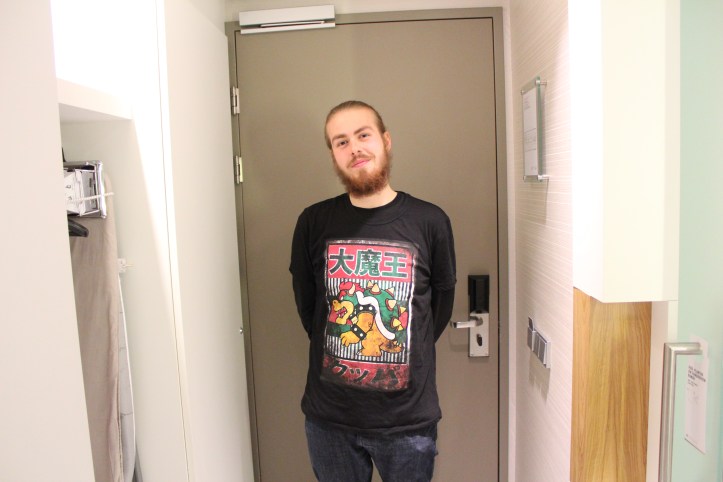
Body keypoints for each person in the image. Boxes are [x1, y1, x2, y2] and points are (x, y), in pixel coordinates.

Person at [289, 100, 457, 482]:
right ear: (333, 154)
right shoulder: (313, 222)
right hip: (330, 420)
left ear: (385, 140)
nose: (354, 148)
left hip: (407, 422)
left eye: (363, 135)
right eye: (341, 142)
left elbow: (438, 309)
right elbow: (309, 308)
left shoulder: (430, 221)